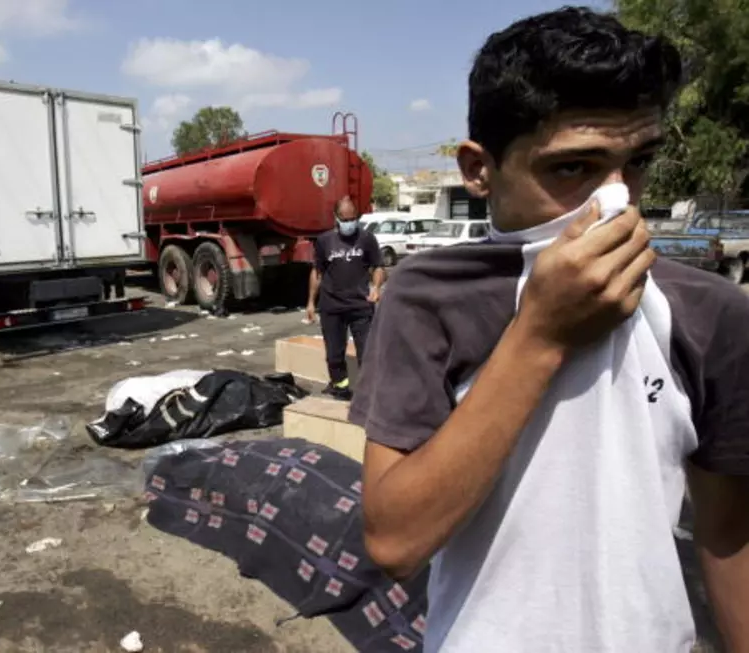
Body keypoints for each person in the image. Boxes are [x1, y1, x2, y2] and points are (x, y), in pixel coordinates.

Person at [350, 7, 749, 652]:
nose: (616, 203)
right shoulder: (428, 300)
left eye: (637, 163)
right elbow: (395, 541)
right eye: (573, 169)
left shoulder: (708, 311)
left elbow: (728, 534)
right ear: (479, 170)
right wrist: (541, 335)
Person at [307, 196, 385, 400]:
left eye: (353, 218)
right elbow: (317, 272)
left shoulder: (367, 239)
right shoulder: (324, 241)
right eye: (345, 219)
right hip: (331, 306)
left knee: (368, 353)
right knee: (334, 354)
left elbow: (378, 267)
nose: (349, 223)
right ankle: (340, 388)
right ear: (336, 218)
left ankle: (369, 395)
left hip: (361, 306)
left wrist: (376, 287)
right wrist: (310, 302)